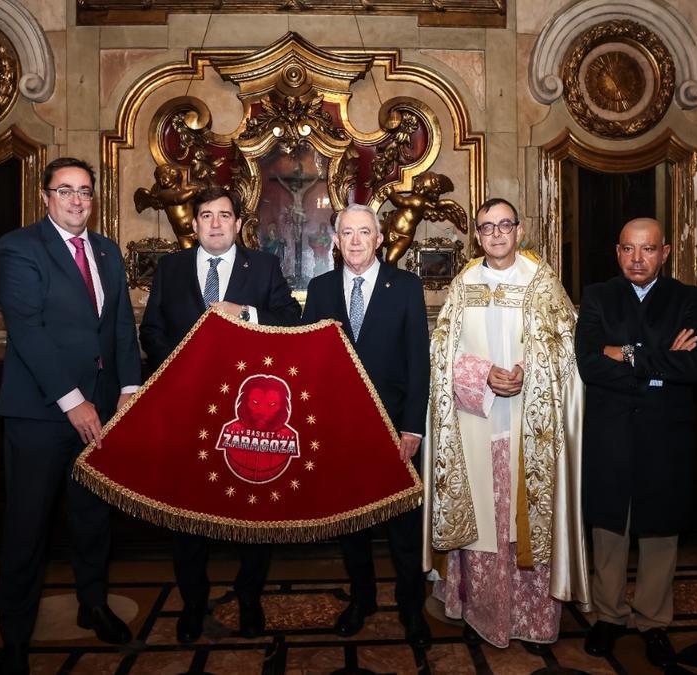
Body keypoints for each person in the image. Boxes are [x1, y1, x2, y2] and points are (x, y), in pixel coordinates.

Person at [0, 157, 141, 674]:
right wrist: (72, 401)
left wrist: (128, 387)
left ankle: (93, 603)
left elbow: (121, 324)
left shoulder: (106, 250)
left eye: (84, 191)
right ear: (46, 196)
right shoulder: (19, 248)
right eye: (65, 191)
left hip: (101, 411)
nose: (76, 200)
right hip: (40, 414)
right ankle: (13, 638)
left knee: (92, 517)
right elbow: (28, 332)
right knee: (27, 527)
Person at [138, 186, 301, 642]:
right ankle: (192, 604)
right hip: (186, 408)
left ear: (236, 223)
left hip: (246, 415)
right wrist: (180, 366)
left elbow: (289, 318)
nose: (214, 223)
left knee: (252, 513)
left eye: (223, 215)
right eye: (206, 216)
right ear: (193, 225)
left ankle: (249, 598)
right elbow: (151, 329)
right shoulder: (170, 268)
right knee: (188, 508)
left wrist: (246, 313)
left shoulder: (263, 266)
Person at [428, 198, 590, 650]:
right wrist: (482, 374)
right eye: (486, 228)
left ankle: (533, 620)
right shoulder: (464, 284)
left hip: (529, 426)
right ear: (476, 237)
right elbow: (442, 352)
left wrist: (526, 372)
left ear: (518, 230)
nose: (496, 234)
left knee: (525, 521)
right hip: (477, 421)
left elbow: (566, 350)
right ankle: (484, 614)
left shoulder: (542, 283)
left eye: (504, 225)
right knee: (485, 520)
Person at [575, 217, 697, 669]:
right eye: (629, 250)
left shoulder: (688, 299)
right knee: (609, 528)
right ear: (617, 252)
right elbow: (590, 365)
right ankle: (609, 618)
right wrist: (659, 361)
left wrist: (627, 354)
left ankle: (654, 623)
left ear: (665, 253)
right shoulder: (597, 297)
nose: (638, 258)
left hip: (664, 435)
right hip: (610, 433)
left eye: (648, 250)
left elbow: (694, 368)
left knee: (660, 532)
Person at [301, 204, 431, 648]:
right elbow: (309, 363)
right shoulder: (319, 290)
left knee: (403, 530)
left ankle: (412, 608)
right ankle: (362, 600)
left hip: (396, 430)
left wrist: (413, 427)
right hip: (341, 431)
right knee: (352, 525)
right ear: (335, 242)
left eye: (365, 232)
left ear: (379, 239)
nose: (356, 241)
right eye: (347, 233)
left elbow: (419, 363)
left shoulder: (406, 287)